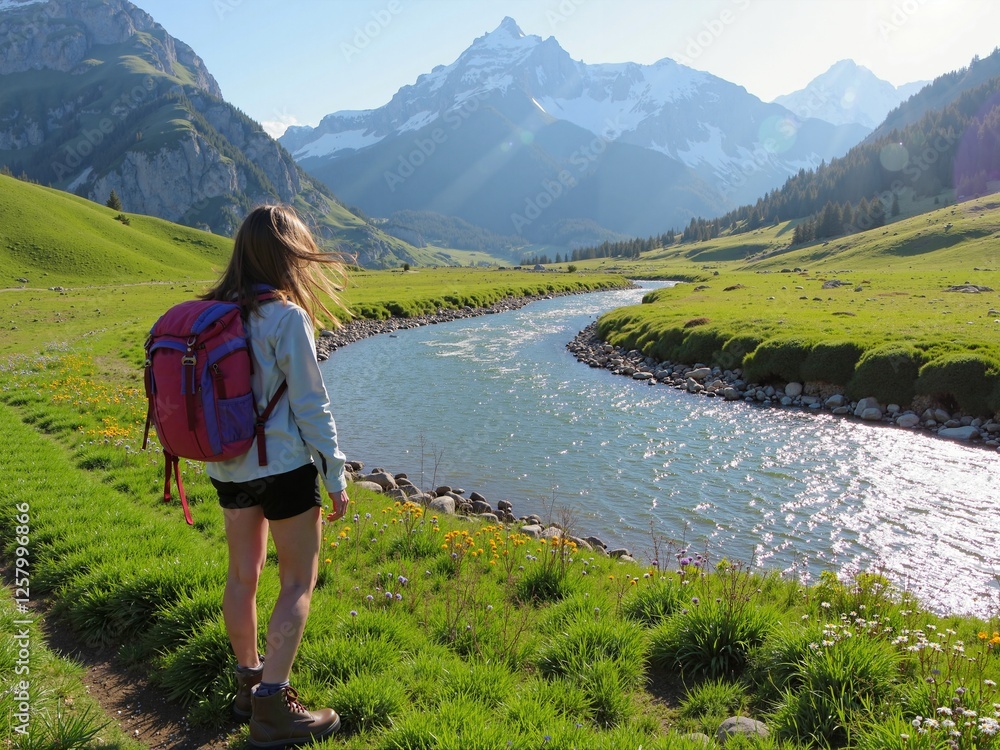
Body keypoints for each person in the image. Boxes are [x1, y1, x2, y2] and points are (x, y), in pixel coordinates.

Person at [202, 204, 350, 747]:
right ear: (290, 256)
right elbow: (312, 404)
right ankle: (274, 704)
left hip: (228, 468)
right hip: (285, 469)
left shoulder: (214, 314)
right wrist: (334, 473)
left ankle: (248, 682)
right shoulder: (286, 317)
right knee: (296, 582)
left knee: (243, 576)